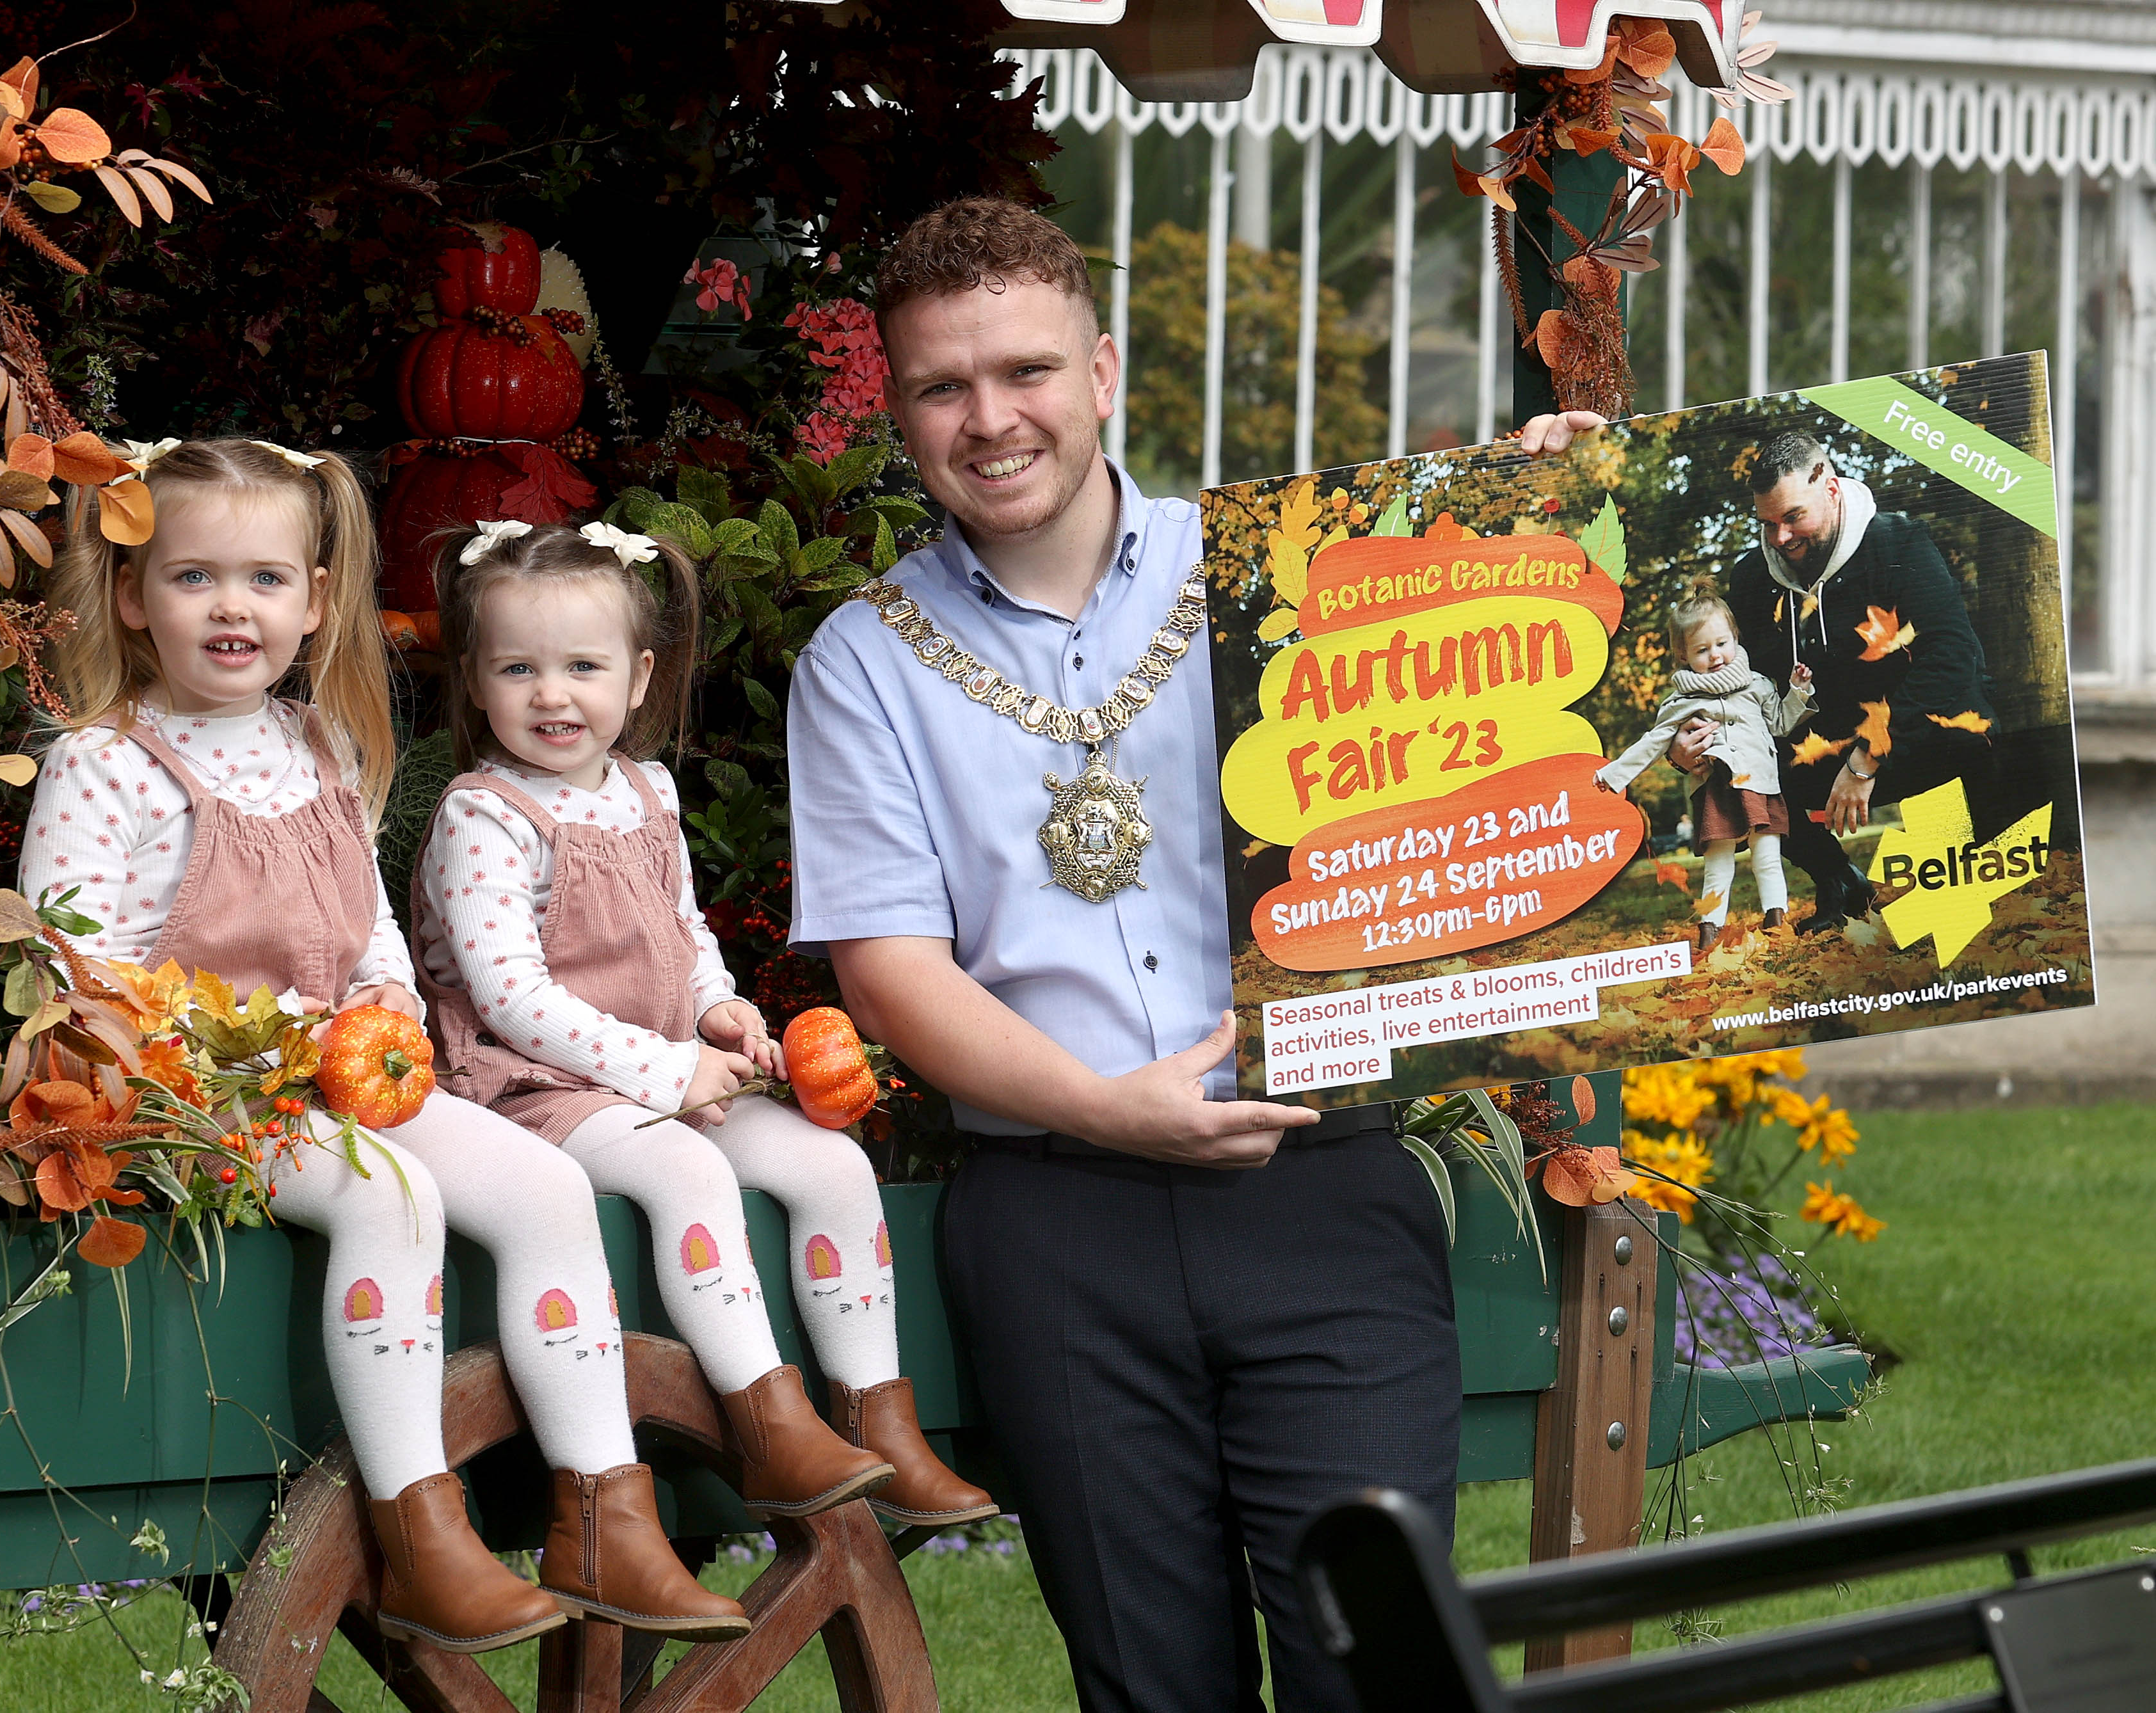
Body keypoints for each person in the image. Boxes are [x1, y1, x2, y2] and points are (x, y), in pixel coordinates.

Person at [783, 199, 1590, 1712]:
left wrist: (1558, 503)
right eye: (942, 387)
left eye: (1022, 370)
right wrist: (1105, 1111)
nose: (989, 418)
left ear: (1097, 372)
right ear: (896, 407)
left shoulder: (1289, 573)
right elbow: (889, 970)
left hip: (1323, 1192)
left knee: (1384, 1673)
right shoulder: (862, 664)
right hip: (1052, 1224)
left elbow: (1522, 687)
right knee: (1153, 1694)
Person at [24, 438, 745, 1655]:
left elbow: (366, 933)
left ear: (314, 601)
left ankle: (603, 1510)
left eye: (264, 578)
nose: (232, 605)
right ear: (133, 597)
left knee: (544, 1185)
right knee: (390, 1197)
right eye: (194, 577)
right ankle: (420, 1528)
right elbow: (69, 968)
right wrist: (229, 1051)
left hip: (342, 1070)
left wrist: (388, 1009)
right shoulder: (105, 764)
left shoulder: (321, 747)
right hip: (199, 1097)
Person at [410, 518, 996, 1530]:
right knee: (686, 1174)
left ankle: (880, 1425)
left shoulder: (650, 791)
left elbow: (683, 931)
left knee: (832, 1164)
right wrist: (665, 1068)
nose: (552, 694)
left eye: (582, 666)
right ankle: (767, 1425)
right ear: (474, 680)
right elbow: (512, 1000)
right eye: (519, 668)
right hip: (537, 1089)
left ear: (638, 677)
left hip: (668, 1069)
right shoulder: (484, 816)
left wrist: (716, 1012)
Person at [1660, 430, 2002, 931]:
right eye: (1768, 523)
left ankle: (1972, 862)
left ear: (1832, 490)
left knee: (1974, 720)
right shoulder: (1752, 578)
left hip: (1914, 733)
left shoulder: (1899, 542)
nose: (1780, 538)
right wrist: (1686, 746)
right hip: (1820, 743)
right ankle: (1839, 881)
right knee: (1732, 765)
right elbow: (1738, 687)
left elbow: (1953, 658)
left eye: (1794, 517)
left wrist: (1867, 757)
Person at [1597, 589, 1815, 951]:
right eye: (1702, 650)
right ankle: (1710, 931)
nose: (1715, 656)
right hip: (1719, 790)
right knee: (1719, 865)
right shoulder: (1681, 702)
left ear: (1734, 638)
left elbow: (1779, 722)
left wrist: (1798, 692)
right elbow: (1653, 742)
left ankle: (1777, 922)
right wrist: (1615, 773)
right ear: (1684, 656)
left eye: (1721, 644)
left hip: (1759, 783)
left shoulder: (1756, 684)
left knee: (1768, 858)